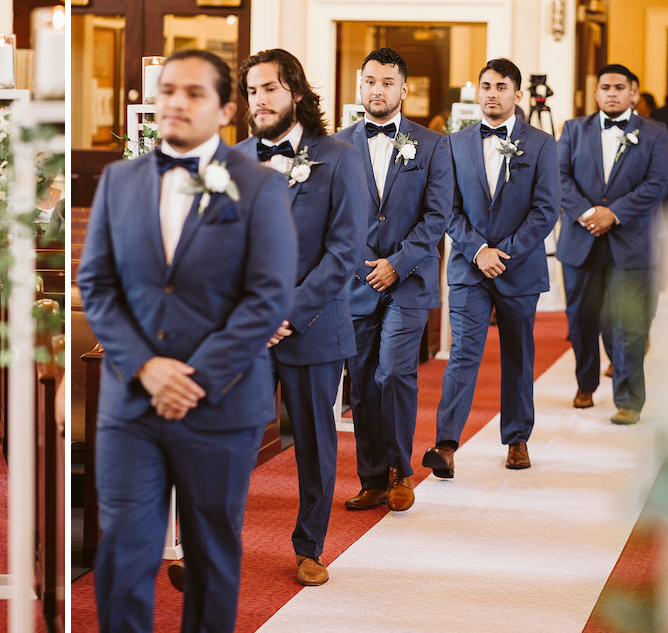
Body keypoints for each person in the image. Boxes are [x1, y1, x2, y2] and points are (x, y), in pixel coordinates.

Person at [77, 48, 296, 633]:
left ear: (227, 109)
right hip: (132, 403)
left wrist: (193, 378)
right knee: (124, 551)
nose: (175, 101)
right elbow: (97, 284)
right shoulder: (120, 181)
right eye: (168, 89)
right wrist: (147, 367)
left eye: (193, 93)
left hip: (220, 403)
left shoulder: (260, 187)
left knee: (211, 554)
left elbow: (267, 297)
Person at [231, 48, 368, 586]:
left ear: (295, 93)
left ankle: (310, 546)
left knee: (314, 445)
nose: (259, 101)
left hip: (312, 326)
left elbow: (344, 250)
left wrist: (286, 313)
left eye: (268, 89)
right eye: (252, 91)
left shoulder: (338, 158)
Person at [422, 59, 559, 477]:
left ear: (518, 95)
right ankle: (445, 444)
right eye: (485, 86)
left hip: (519, 267)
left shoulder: (540, 143)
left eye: (501, 87)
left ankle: (517, 439)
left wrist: (505, 253)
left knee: (519, 354)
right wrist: (479, 249)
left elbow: (546, 209)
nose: (492, 94)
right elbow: (446, 207)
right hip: (469, 267)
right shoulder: (454, 143)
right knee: (463, 353)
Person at [333, 47, 451, 513]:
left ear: (404, 89)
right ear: (359, 86)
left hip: (409, 280)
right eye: (369, 82)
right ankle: (373, 478)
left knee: (394, 372)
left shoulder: (434, 144)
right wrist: (364, 261)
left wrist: (397, 263)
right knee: (361, 382)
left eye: (386, 82)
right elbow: (335, 216)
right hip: (356, 281)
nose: (376, 90)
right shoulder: (338, 145)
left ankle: (403, 470)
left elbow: (437, 215)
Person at [557, 63, 667, 426]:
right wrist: (589, 212)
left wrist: (613, 214)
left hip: (630, 242)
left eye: (620, 87)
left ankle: (629, 400)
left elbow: (657, 184)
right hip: (581, 238)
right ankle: (585, 383)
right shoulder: (573, 130)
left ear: (633, 92)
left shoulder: (655, 133)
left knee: (628, 324)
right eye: (605, 87)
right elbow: (558, 177)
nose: (612, 93)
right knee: (581, 319)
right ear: (596, 92)